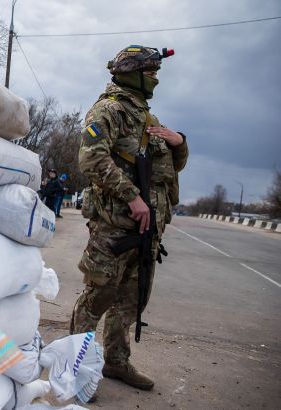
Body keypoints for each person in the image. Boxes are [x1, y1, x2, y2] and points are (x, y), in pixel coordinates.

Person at [69, 45, 189, 393]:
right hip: (114, 227)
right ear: (131, 72)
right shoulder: (108, 110)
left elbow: (170, 167)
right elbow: (91, 159)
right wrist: (132, 197)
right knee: (99, 295)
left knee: (131, 300)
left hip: (146, 230)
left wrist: (180, 142)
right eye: (150, 71)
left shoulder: (148, 119)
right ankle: (74, 366)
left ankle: (116, 362)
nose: (155, 77)